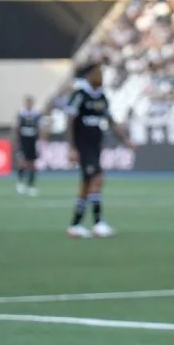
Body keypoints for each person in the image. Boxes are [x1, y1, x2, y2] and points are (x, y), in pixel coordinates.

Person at [66, 62, 133, 239]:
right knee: (96, 179)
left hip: (96, 145)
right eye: (97, 73)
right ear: (88, 75)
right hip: (83, 145)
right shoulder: (80, 94)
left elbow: (110, 120)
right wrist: (72, 147)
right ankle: (97, 223)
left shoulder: (101, 96)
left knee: (88, 184)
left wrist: (125, 139)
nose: (101, 76)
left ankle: (76, 225)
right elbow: (70, 120)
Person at [14, 95, 43, 197]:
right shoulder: (21, 114)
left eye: (31, 102)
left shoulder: (37, 114)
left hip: (33, 141)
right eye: (27, 102)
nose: (29, 104)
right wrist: (16, 142)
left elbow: (40, 127)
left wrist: (41, 140)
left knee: (32, 163)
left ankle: (31, 185)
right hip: (23, 141)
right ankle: (20, 183)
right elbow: (16, 128)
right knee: (22, 162)